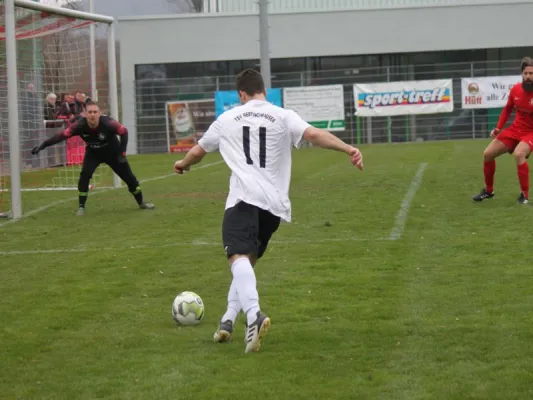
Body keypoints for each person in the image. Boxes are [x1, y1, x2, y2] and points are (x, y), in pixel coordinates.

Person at [173, 69, 363, 353]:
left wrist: (183, 165)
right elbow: (313, 134)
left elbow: (198, 152)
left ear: (241, 94)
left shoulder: (226, 119)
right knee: (245, 264)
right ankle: (227, 321)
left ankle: (254, 315)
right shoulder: (283, 115)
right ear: (263, 90)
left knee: (236, 258)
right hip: (273, 206)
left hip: (242, 199)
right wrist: (347, 148)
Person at [31, 101, 155, 215]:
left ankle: (141, 203)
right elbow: (61, 136)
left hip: (113, 153)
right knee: (85, 174)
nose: (92, 115)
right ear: (85, 114)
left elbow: (124, 132)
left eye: (95, 112)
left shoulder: (109, 123)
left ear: (99, 113)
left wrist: (122, 153)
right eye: (90, 112)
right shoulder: (79, 125)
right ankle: (81, 207)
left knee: (130, 178)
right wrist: (43, 145)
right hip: (93, 153)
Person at [473, 57, 533, 204]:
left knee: (519, 154)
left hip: (531, 132)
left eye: (531, 73)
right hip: (515, 130)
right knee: (488, 154)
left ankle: (524, 195)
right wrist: (498, 128)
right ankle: (489, 191)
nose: (528, 76)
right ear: (522, 74)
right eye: (526, 73)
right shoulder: (516, 90)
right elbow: (507, 109)